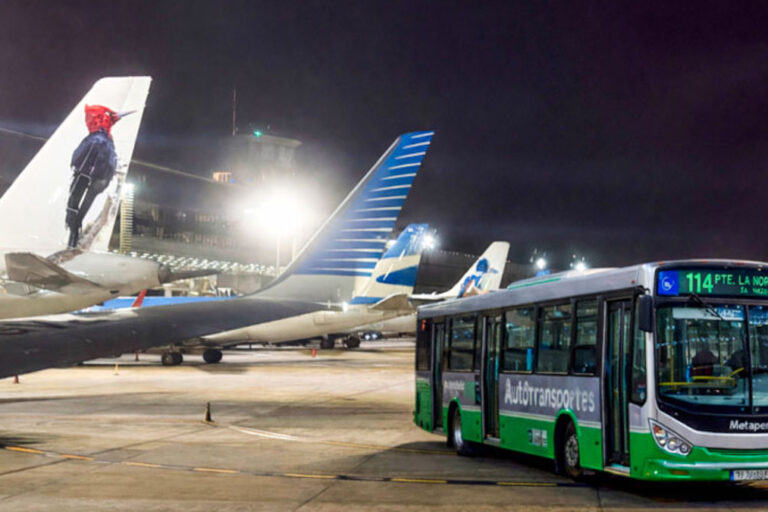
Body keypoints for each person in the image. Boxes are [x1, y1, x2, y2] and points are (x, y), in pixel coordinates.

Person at [65, 105, 130, 248]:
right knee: (86, 201)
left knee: (74, 202)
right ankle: (76, 227)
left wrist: (76, 166)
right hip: (101, 179)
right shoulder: (108, 142)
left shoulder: (95, 139)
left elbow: (79, 157)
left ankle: (73, 230)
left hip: (85, 174)